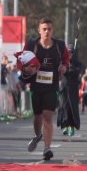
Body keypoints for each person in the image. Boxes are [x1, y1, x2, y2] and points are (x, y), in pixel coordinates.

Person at [20, 18, 69, 161]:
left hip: (52, 85)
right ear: (39, 31)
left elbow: (66, 59)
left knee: (47, 116)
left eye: (49, 29)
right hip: (36, 85)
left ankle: (47, 148)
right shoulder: (32, 45)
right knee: (37, 116)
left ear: (52, 30)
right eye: (44, 29)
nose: (47, 31)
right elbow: (22, 61)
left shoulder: (59, 45)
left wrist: (64, 67)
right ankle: (37, 135)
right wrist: (27, 68)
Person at [57, 47, 81, 136]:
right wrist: (65, 67)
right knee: (64, 107)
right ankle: (65, 126)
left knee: (71, 108)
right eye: (68, 53)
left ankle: (71, 127)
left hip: (73, 89)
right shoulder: (63, 62)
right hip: (63, 88)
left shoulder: (78, 64)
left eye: (71, 53)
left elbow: (75, 73)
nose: (70, 55)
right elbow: (61, 71)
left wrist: (71, 66)